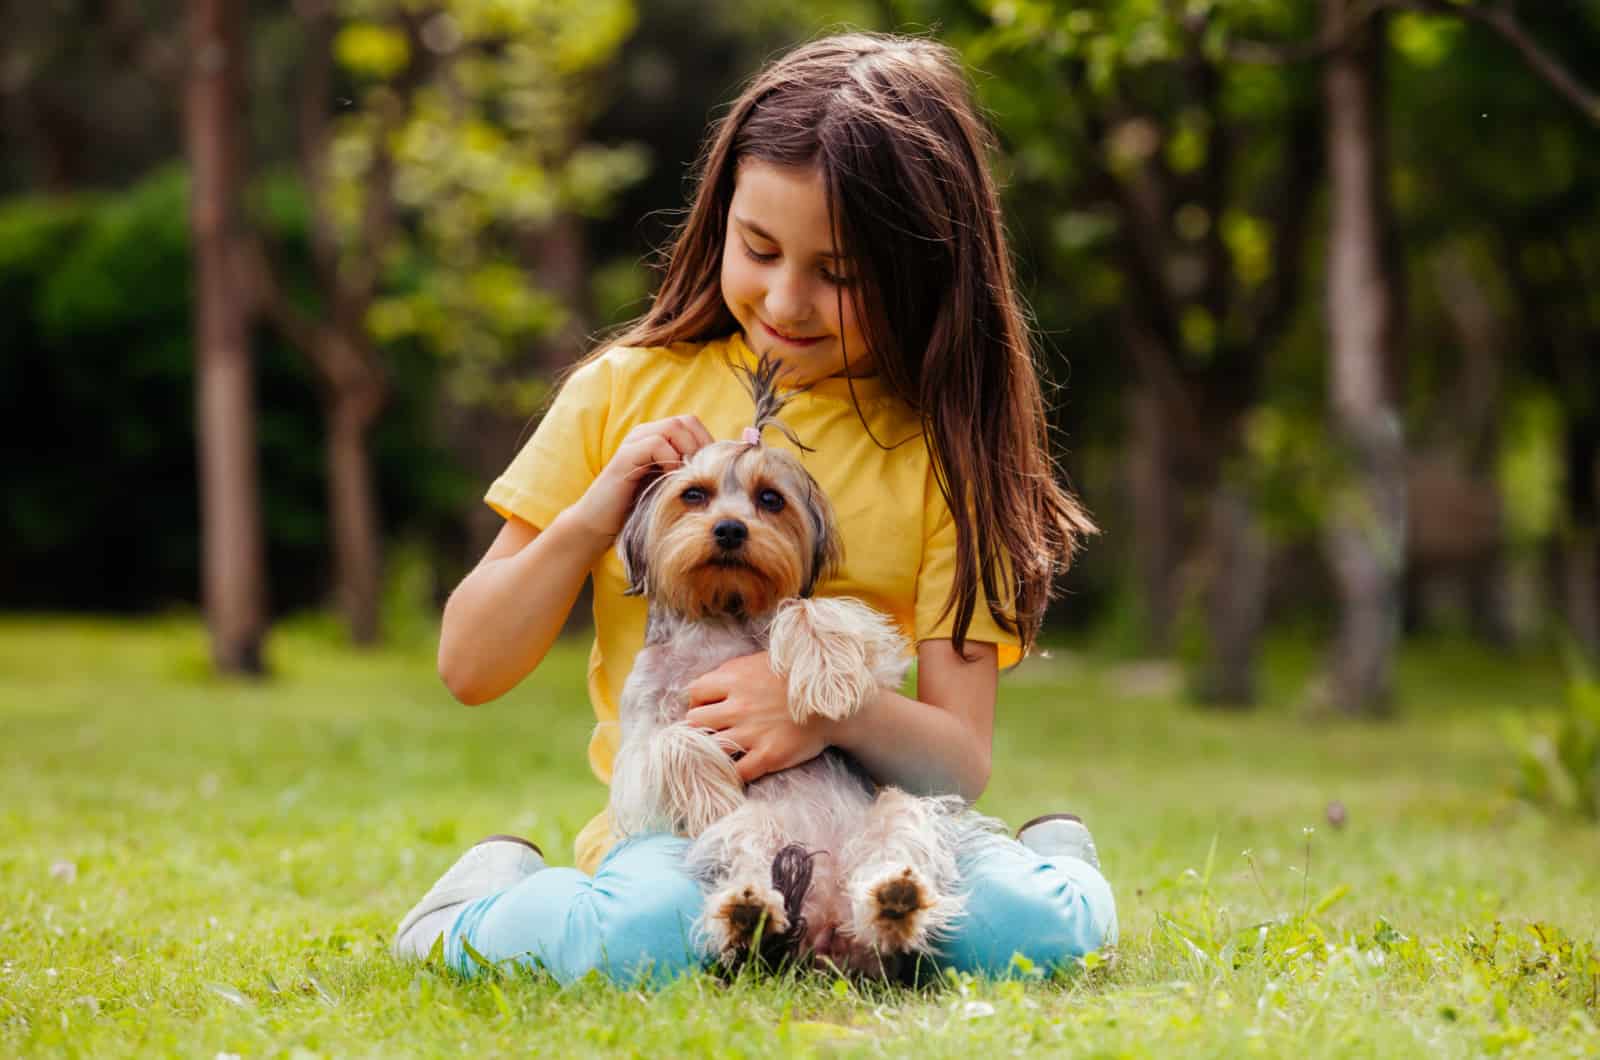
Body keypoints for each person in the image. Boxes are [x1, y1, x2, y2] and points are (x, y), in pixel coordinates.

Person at [394, 32, 1116, 986]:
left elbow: (959, 762)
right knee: (642, 940)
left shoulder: (948, 455)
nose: (787, 297)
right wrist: (592, 514)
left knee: (1027, 931)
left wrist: (827, 711)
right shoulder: (622, 390)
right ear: (720, 216)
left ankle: (1057, 863)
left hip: (877, 825)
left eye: (842, 273)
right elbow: (469, 666)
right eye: (760, 248)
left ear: (924, 265)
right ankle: (469, 908)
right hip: (687, 827)